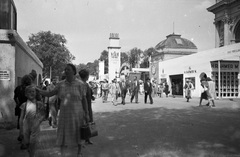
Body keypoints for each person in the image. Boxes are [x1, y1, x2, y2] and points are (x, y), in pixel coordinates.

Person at [36, 63, 89, 157]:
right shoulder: (60, 84)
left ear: (74, 71)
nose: (66, 71)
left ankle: (79, 152)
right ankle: (63, 153)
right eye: (65, 69)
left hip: (78, 113)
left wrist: (87, 113)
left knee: (79, 132)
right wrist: (39, 91)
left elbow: (84, 99)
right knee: (64, 133)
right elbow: (50, 93)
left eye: (68, 69)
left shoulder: (80, 84)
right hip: (65, 113)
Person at [19, 85, 46, 157]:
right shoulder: (24, 105)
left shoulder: (39, 104)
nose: (32, 93)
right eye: (29, 92)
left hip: (35, 125)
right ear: (26, 94)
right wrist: (21, 130)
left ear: (36, 93)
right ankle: (30, 150)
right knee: (27, 142)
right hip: (26, 125)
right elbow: (21, 117)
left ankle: (32, 155)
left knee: (33, 142)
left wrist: (39, 121)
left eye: (33, 91)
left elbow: (43, 115)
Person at [14, 74, 32, 142]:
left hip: (21, 106)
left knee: (21, 120)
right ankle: (25, 138)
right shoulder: (31, 88)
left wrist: (18, 103)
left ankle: (20, 134)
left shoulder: (18, 88)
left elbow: (15, 97)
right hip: (29, 106)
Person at [79, 69, 95, 145]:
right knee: (85, 122)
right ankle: (84, 139)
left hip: (87, 105)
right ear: (86, 76)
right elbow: (83, 97)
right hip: (85, 106)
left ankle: (87, 139)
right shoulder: (83, 84)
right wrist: (86, 111)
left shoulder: (85, 84)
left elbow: (88, 94)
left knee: (87, 123)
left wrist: (91, 97)